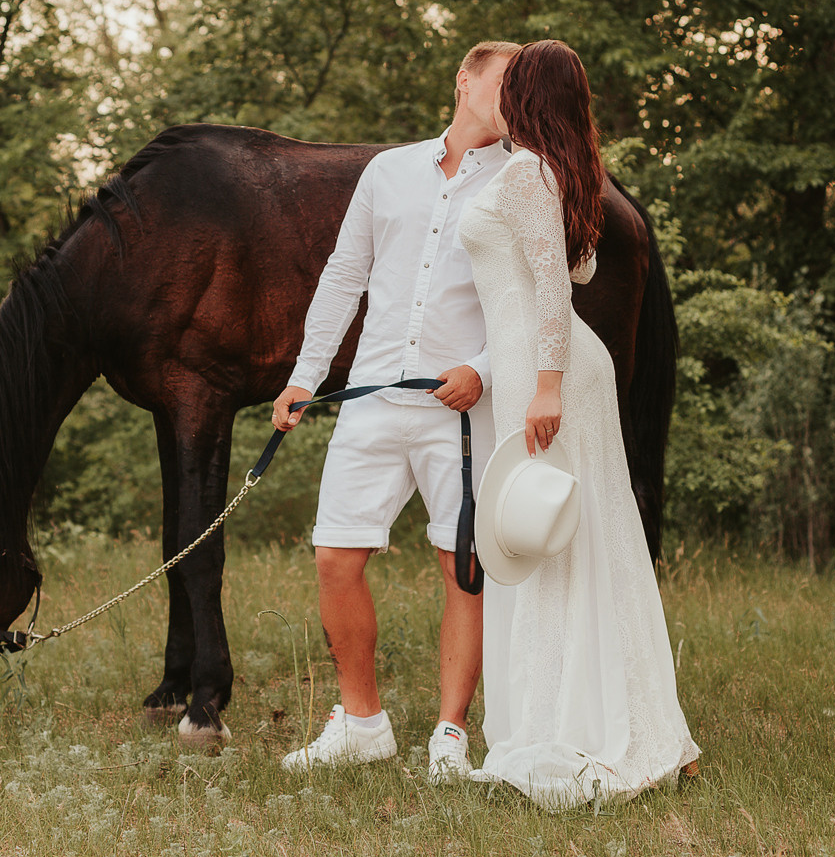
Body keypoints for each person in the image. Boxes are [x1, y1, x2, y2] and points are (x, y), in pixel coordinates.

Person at [457, 39, 699, 809]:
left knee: (554, 536)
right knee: (586, 532)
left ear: (525, 92)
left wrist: (545, 386)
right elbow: (578, 268)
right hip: (549, 366)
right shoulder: (561, 171)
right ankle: (632, 717)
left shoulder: (528, 171)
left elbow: (555, 295)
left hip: (547, 367)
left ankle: (568, 723)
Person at [271, 41, 519, 783]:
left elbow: (544, 300)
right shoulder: (388, 171)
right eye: (506, 83)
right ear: (465, 80)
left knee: (462, 567)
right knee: (335, 555)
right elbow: (346, 274)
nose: (514, 99)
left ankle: (450, 733)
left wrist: (483, 368)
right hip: (372, 397)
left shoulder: (524, 177)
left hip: (464, 405)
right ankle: (362, 720)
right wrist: (304, 376)